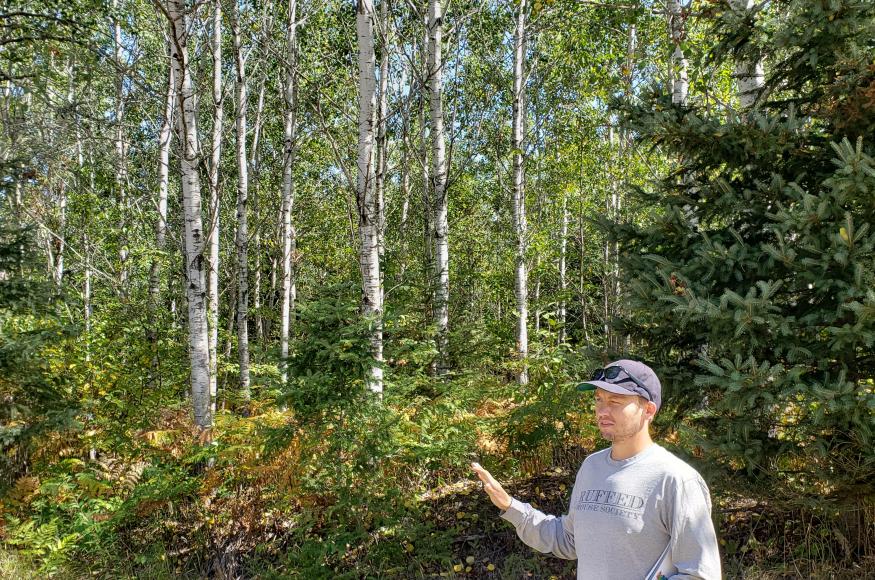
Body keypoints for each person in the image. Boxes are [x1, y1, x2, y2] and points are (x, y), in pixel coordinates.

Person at [471, 359, 721, 579]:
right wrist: (510, 506)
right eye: (599, 400)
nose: (602, 410)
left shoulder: (676, 480)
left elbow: (700, 574)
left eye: (615, 401)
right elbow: (568, 540)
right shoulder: (591, 467)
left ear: (648, 410)